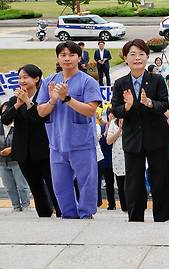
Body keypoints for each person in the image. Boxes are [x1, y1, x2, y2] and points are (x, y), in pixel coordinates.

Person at [36, 41, 102, 219]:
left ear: (79, 57)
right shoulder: (49, 82)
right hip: (57, 142)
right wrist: (53, 100)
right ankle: (68, 215)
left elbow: (90, 110)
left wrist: (66, 98)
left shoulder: (88, 81)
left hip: (81, 142)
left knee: (87, 182)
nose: (67, 58)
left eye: (71, 55)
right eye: (63, 55)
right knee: (60, 184)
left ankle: (86, 213)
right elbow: (41, 112)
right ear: (58, 58)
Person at [110, 39, 169, 222]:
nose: (137, 58)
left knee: (160, 177)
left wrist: (149, 103)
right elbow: (115, 110)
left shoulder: (157, 79)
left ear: (147, 57)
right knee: (134, 181)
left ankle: (162, 216)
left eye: (141, 54)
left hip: (157, 137)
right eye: (132, 54)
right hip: (133, 139)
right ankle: (135, 216)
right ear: (125, 58)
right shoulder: (120, 83)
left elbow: (164, 105)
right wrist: (128, 107)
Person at [1, 64, 60, 217]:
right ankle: (44, 214)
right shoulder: (15, 98)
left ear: (37, 78)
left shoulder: (44, 96)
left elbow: (39, 118)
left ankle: (62, 212)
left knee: (53, 184)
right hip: (23, 151)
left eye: (25, 77)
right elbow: (5, 119)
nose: (22, 81)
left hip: (43, 149)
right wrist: (18, 104)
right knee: (35, 186)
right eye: (20, 78)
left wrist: (28, 102)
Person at [0, 103, 31, 212]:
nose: (6, 113)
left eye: (8, 110)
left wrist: (11, 149)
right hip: (2, 163)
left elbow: (25, 141)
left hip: (17, 161)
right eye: (4, 111)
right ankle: (16, 207)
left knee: (22, 186)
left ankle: (26, 205)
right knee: (9, 187)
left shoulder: (19, 125)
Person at [104, 113, 127, 212]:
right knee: (121, 185)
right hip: (118, 159)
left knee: (133, 184)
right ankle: (125, 207)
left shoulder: (133, 119)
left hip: (132, 157)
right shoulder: (113, 123)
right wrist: (119, 130)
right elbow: (108, 141)